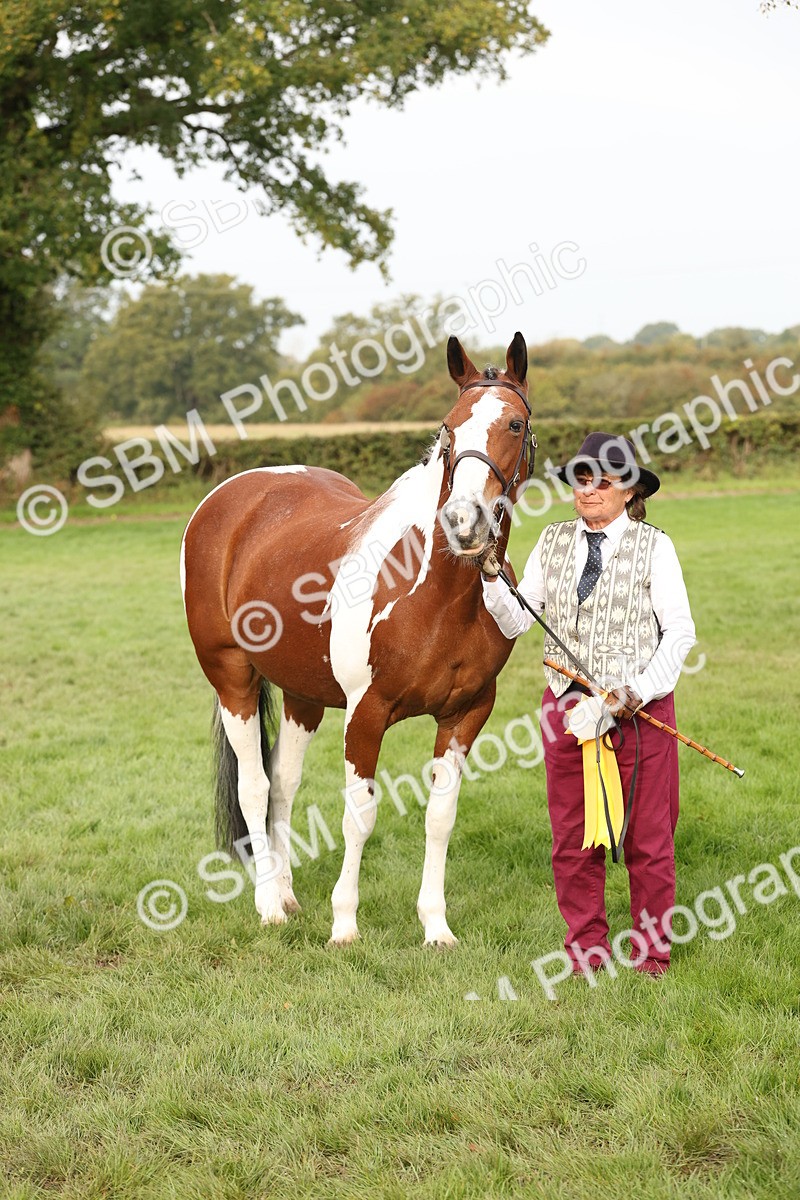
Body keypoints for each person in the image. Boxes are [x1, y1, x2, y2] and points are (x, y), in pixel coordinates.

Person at [481, 432, 696, 976]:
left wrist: (635, 691)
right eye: (582, 478)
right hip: (566, 712)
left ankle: (651, 956)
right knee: (572, 841)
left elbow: (679, 634)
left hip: (640, 714)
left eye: (605, 479)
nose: (591, 489)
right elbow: (516, 619)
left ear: (629, 491)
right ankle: (585, 951)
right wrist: (490, 580)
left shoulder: (656, 546)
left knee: (648, 840)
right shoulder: (551, 541)